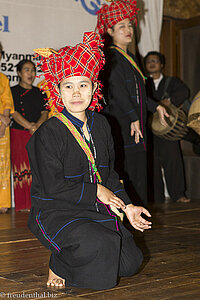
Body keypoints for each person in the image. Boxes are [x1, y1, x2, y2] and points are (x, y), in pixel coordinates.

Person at [26, 32, 152, 290]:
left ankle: (77, 252)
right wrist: (96, 191)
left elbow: (108, 174)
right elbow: (51, 188)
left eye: (83, 85)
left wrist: (127, 206)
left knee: (130, 263)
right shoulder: (47, 133)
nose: (76, 93)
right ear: (57, 90)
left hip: (93, 207)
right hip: (55, 210)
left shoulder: (102, 124)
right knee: (99, 246)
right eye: (68, 86)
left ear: (94, 88)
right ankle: (59, 261)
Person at [96, 0, 167, 205]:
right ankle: (128, 215)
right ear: (110, 31)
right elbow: (118, 93)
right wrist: (133, 117)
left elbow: (139, 95)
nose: (128, 30)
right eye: (121, 26)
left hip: (135, 124)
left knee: (138, 171)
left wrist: (157, 106)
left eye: (129, 25)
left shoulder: (131, 58)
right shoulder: (113, 58)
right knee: (127, 172)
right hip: (124, 124)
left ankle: (138, 214)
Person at [144, 51, 191, 203]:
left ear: (162, 65)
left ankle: (179, 194)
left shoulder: (171, 82)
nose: (152, 63)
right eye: (149, 61)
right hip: (149, 130)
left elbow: (184, 92)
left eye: (155, 61)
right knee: (152, 165)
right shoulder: (143, 82)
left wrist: (170, 100)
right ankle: (155, 197)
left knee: (173, 162)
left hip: (168, 129)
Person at [10, 59, 48, 211]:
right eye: (26, 70)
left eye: (33, 70)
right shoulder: (12, 91)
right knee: (20, 168)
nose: (31, 73)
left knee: (36, 168)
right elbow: (13, 112)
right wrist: (29, 126)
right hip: (19, 133)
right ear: (19, 73)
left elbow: (45, 112)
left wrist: (37, 126)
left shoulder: (40, 92)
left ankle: (36, 203)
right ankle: (22, 204)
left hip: (37, 134)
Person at [0, 42, 14, 213]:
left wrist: (4, 120)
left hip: (3, 125)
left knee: (3, 162)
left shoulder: (3, 78)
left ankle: (2, 202)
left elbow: (7, 101)